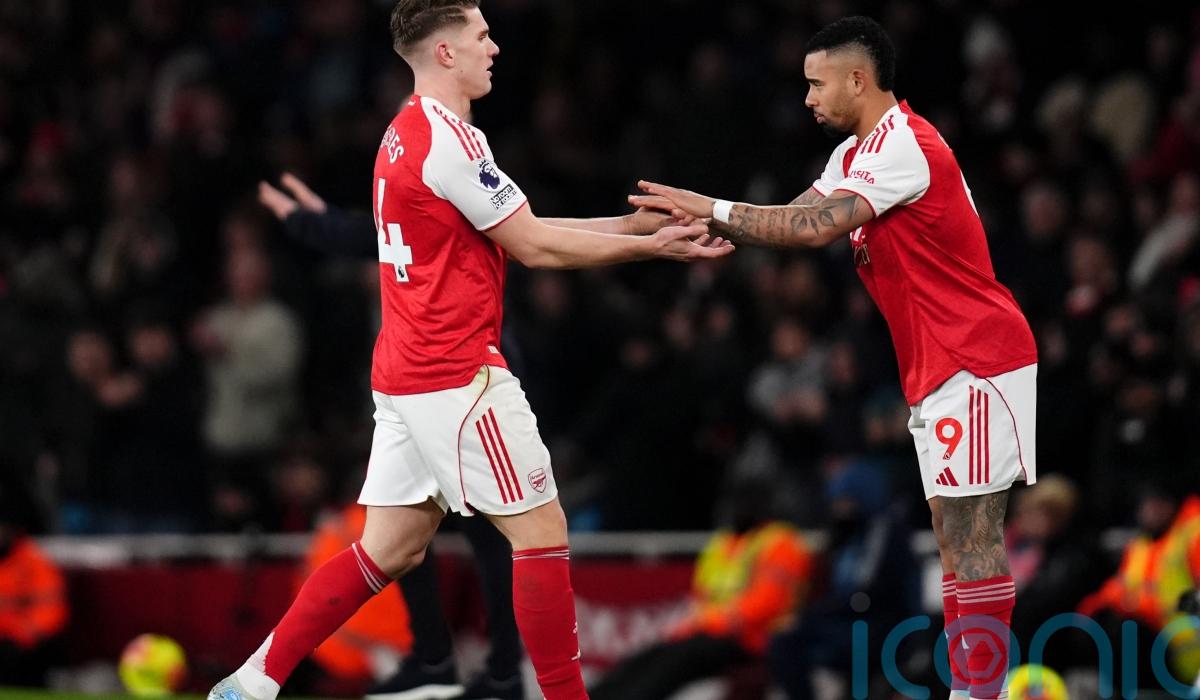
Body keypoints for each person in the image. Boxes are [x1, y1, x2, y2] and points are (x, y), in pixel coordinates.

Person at [207, 2, 730, 699]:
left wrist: (631, 226)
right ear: (446, 52)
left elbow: (518, 226)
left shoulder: (404, 133)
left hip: (403, 375)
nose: (495, 47)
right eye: (481, 35)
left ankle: (251, 682)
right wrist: (650, 248)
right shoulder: (451, 144)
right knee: (541, 532)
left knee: (387, 549)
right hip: (456, 377)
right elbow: (535, 247)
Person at [634, 16, 1038, 700]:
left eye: (817, 84)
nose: (808, 98)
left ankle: (983, 693)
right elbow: (791, 217)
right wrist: (707, 224)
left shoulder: (904, 144)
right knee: (951, 533)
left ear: (858, 79)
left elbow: (813, 228)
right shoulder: (855, 154)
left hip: (975, 354)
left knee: (972, 533)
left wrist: (713, 204)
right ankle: (974, 688)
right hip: (937, 363)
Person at [258, 172, 528, 699]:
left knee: (487, 533)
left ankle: (495, 670)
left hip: (469, 383)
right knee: (402, 525)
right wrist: (321, 221)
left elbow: (378, 236)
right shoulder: (432, 205)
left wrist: (313, 223)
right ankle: (446, 660)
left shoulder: (456, 205)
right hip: (433, 390)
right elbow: (377, 234)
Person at [588, 479, 812, 700]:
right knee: (651, 654)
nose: (738, 509)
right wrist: (694, 624)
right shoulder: (722, 543)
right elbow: (702, 596)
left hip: (756, 639)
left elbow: (765, 604)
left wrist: (709, 622)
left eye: (747, 503)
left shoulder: (780, 542)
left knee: (679, 659)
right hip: (714, 632)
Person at [767, 460, 919, 700]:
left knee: (799, 641)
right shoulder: (844, 533)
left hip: (880, 625)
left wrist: (813, 616)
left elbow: (866, 593)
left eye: (844, 501)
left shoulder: (885, 531)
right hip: (847, 620)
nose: (838, 508)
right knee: (785, 642)